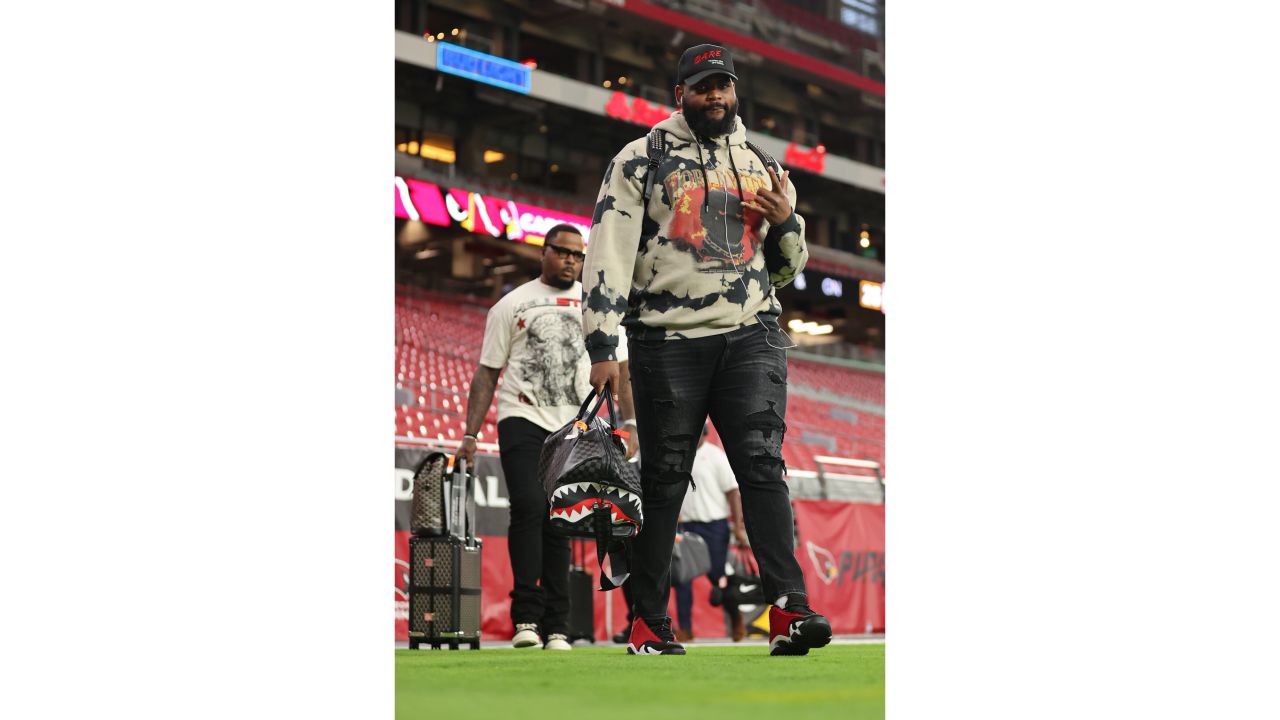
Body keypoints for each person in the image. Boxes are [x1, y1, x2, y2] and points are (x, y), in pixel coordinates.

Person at [582, 43, 832, 656]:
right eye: (702, 87)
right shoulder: (640, 159)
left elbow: (785, 270)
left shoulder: (764, 165)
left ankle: (789, 612)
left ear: (734, 91)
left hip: (752, 332)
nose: (715, 97)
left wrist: (788, 222)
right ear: (681, 94)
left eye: (723, 86)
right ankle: (647, 621)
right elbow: (608, 250)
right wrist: (601, 342)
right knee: (665, 480)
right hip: (666, 338)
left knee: (762, 467)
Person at [457, 223, 635, 651]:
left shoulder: (601, 306)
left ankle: (558, 625)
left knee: (561, 516)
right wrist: (469, 433)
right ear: (545, 252)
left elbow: (623, 370)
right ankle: (525, 619)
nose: (572, 259)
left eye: (578, 254)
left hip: (575, 424)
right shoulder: (511, 304)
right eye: (563, 251)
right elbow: (487, 372)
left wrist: (628, 424)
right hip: (522, 417)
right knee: (529, 506)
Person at [672, 424, 748, 643]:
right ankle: (685, 629)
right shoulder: (679, 457)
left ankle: (735, 617)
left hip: (714, 526)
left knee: (718, 577)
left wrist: (738, 526)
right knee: (682, 579)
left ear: (703, 434)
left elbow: (733, 492)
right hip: (686, 527)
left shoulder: (716, 457)